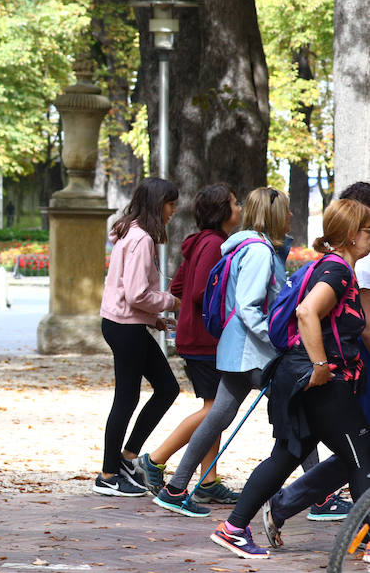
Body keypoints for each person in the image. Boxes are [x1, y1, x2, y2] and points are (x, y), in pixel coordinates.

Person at [211, 198, 370, 558]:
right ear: (349, 235)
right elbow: (306, 312)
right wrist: (318, 366)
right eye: (368, 230)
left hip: (300, 378)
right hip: (318, 381)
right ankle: (367, 539)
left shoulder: (333, 266)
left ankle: (233, 528)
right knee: (363, 454)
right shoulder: (338, 271)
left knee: (286, 455)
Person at [153, 188, 306, 516]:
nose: (291, 216)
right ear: (274, 214)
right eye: (287, 211)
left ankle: (176, 488)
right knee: (299, 408)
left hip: (237, 349)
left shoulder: (249, 247)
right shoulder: (258, 252)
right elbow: (250, 306)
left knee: (218, 416)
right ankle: (318, 498)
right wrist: (278, 338)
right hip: (252, 352)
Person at [137, 184, 241, 499]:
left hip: (198, 338)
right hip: (204, 341)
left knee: (216, 409)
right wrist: (231, 308)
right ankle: (154, 461)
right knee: (215, 411)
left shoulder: (203, 242)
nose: (240, 208)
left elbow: (180, 285)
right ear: (223, 210)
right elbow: (197, 292)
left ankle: (207, 482)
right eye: (235, 203)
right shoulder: (213, 245)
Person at [95, 177, 181, 497]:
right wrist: (171, 302)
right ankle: (108, 473)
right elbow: (135, 294)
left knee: (166, 388)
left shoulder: (130, 232)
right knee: (128, 398)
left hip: (124, 324)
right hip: (125, 326)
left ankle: (126, 459)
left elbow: (128, 293)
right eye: (170, 204)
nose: (173, 210)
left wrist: (155, 320)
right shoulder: (141, 238)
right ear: (158, 205)